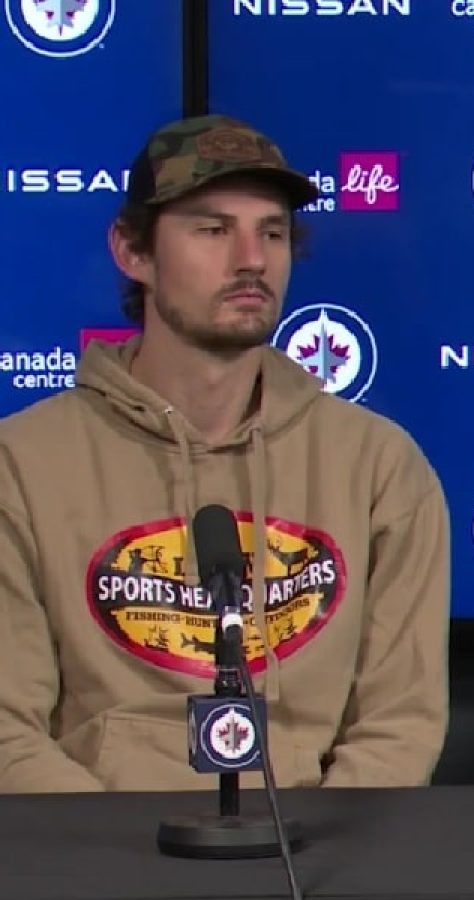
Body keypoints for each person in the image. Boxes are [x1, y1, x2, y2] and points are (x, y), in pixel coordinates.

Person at [0, 114, 450, 792]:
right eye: (213, 231)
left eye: (272, 232)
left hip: (314, 845)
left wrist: (316, 846)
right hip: (96, 845)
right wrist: (117, 850)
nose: (252, 259)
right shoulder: (21, 466)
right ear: (133, 252)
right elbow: (8, 733)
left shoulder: (380, 468)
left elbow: (400, 726)